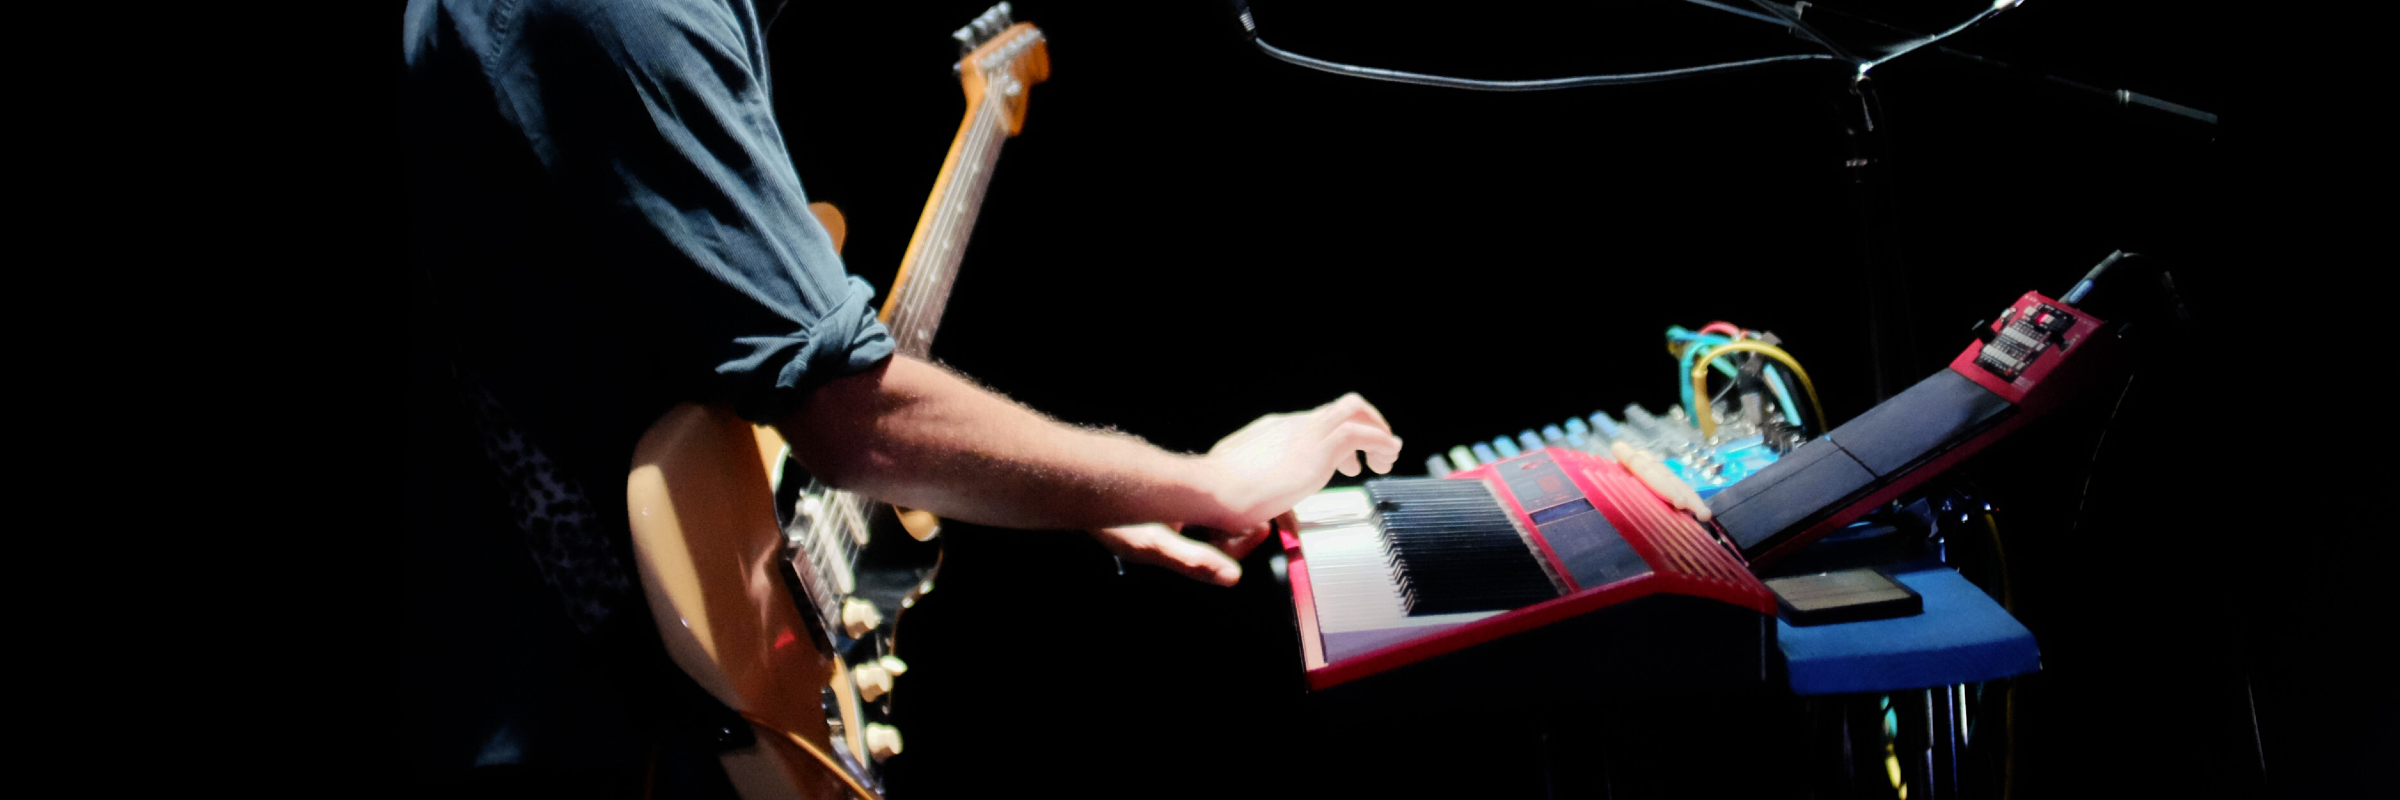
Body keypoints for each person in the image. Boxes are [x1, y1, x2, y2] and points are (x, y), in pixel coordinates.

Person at [403, 0, 1401, 793]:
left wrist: (1083, 488)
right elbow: (851, 418)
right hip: (577, 720)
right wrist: (1204, 480)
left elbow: (709, 375)